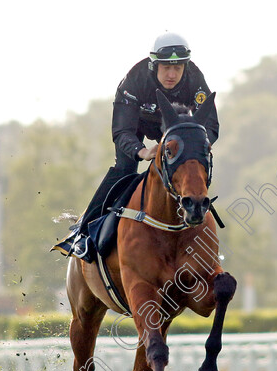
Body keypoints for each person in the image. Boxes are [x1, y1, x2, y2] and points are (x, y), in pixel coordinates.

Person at [53, 32, 220, 262]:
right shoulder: (135, 80)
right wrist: (143, 151)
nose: (172, 75)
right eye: (166, 68)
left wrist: (196, 148)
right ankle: (83, 232)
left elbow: (210, 127)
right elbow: (122, 132)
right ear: (154, 65)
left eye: (178, 68)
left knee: (190, 169)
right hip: (136, 125)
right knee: (125, 168)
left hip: (174, 129)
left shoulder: (196, 80)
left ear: (186, 67)